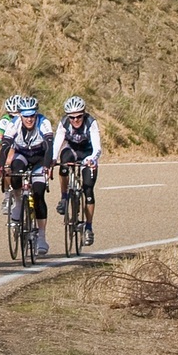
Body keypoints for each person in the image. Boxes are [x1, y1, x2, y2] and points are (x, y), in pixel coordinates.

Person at [0, 96, 54, 256]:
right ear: (20, 115)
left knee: (38, 194)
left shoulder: (44, 122)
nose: (29, 119)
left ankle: (41, 237)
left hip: (40, 158)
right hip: (22, 155)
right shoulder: (13, 124)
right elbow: (5, 146)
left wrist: (47, 166)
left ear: (36, 114)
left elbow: (49, 146)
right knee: (14, 170)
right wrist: (1, 166)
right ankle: (18, 202)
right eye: (26, 116)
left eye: (32, 115)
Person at [53, 95, 102, 246]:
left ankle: (88, 227)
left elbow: (97, 147)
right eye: (72, 117)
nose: (75, 120)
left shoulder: (91, 123)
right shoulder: (63, 123)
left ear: (84, 114)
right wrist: (52, 159)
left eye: (79, 116)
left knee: (88, 190)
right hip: (72, 151)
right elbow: (57, 144)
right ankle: (64, 197)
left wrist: (92, 159)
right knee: (64, 161)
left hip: (88, 154)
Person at [0, 94, 22, 215]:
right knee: (7, 163)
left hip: (24, 147)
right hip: (11, 146)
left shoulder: (28, 119)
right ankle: (8, 195)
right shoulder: (4, 122)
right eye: (11, 115)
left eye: (17, 114)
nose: (14, 118)